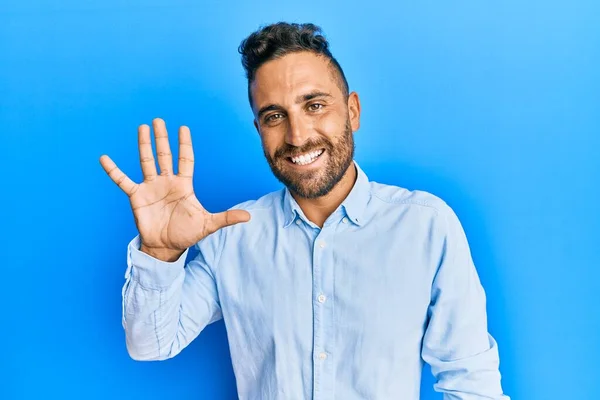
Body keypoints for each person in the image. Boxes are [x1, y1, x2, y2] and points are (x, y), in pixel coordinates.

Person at [99, 22, 509, 400]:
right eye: (275, 116)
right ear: (260, 129)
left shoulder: (425, 226)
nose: (297, 135)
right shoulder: (232, 236)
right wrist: (161, 253)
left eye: (314, 105)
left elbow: (471, 382)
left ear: (352, 111)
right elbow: (152, 343)